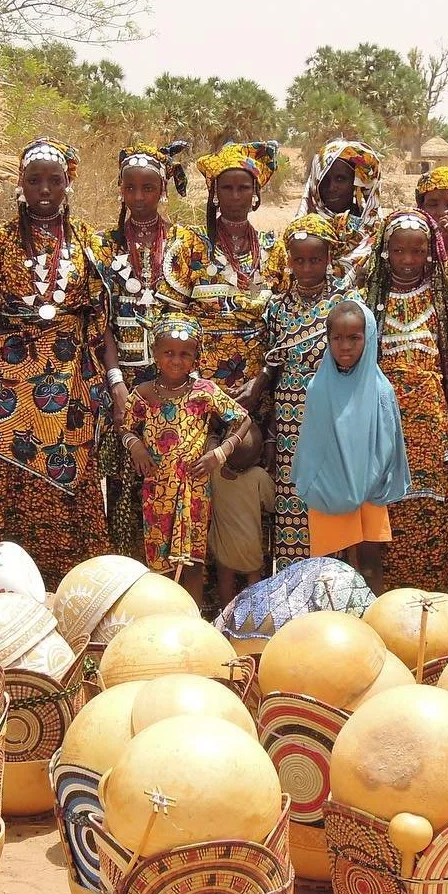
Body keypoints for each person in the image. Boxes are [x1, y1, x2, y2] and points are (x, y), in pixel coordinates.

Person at [0, 137, 114, 583]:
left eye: (55, 180)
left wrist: (114, 382)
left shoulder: (89, 241)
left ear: (69, 183)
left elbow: (102, 320)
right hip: (16, 384)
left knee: (79, 481)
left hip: (74, 381)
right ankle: (23, 587)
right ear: (22, 185)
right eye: (35, 181)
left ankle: (80, 586)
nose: (45, 190)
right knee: (19, 482)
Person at [101, 141, 204, 559]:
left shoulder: (189, 243)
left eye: (149, 188)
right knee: (127, 481)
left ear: (163, 190)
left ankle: (180, 576)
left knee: (176, 477)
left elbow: (200, 315)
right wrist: (117, 384)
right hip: (125, 384)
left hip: (177, 387)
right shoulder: (103, 244)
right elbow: (99, 321)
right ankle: (129, 576)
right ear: (121, 189)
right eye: (131, 188)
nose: (139, 197)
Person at [240, 215, 357, 567]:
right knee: (291, 504)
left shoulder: (346, 303)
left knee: (329, 503)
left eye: (315, 259)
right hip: (289, 422)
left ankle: (331, 587)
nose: (306, 267)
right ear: (288, 260)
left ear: (329, 260)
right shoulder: (275, 308)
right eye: (299, 260)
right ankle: (294, 591)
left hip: (332, 417)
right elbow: (272, 369)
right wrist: (273, 435)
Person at [361, 209, 448, 593]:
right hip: (383, 424)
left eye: (417, 251)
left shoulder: (443, 296)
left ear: (429, 253)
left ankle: (437, 599)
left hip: (431, 424)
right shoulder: (369, 301)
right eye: (398, 251)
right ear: (385, 252)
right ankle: (388, 600)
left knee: (432, 506)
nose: (407, 260)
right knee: (388, 505)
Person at [124, 315, 250, 606]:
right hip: (156, 490)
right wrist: (137, 448)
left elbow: (242, 419)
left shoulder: (204, 392)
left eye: (185, 354)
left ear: (196, 356)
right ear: (155, 353)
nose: (176, 361)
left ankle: (191, 621)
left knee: (192, 557)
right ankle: (162, 615)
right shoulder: (143, 394)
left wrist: (219, 454)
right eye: (168, 353)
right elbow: (125, 428)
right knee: (159, 560)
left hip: (193, 488)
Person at [293, 300, 410, 594]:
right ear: (328, 340)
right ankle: (332, 627)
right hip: (327, 488)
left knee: (369, 561)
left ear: (368, 339)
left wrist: (363, 484)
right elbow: (311, 446)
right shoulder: (318, 388)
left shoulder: (380, 390)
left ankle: (374, 624)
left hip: (369, 491)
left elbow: (388, 447)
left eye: (354, 338)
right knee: (327, 567)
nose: (345, 346)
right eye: (337, 338)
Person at [171, 141, 280, 395]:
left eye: (243, 188)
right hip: (198, 382)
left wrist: (263, 379)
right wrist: (196, 380)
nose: (235, 196)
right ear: (215, 192)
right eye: (227, 188)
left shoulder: (273, 250)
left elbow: (282, 321)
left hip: (257, 384)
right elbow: (174, 315)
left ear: (255, 192)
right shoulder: (191, 245)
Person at [264, 140, 383, 290]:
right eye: (324, 180)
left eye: (340, 179)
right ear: (315, 182)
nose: (332, 187)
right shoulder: (300, 231)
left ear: (355, 182)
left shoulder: (376, 232)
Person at [209, 423, 275, 606]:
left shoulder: (215, 470)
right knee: (254, 579)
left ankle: (225, 613)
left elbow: (211, 447)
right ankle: (253, 615)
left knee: (225, 579)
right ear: (257, 457)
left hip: (223, 543)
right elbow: (271, 504)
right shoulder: (258, 476)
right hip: (251, 544)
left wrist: (215, 439)